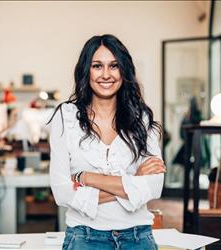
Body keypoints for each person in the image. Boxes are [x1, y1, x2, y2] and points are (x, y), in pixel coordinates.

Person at [49, 34, 166, 250]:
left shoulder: (141, 117)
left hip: (138, 237)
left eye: (114, 66)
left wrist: (86, 177)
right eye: (97, 66)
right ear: (87, 70)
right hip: (84, 237)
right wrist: (133, 181)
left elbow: (154, 186)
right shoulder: (65, 116)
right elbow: (62, 192)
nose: (106, 74)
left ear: (124, 70)